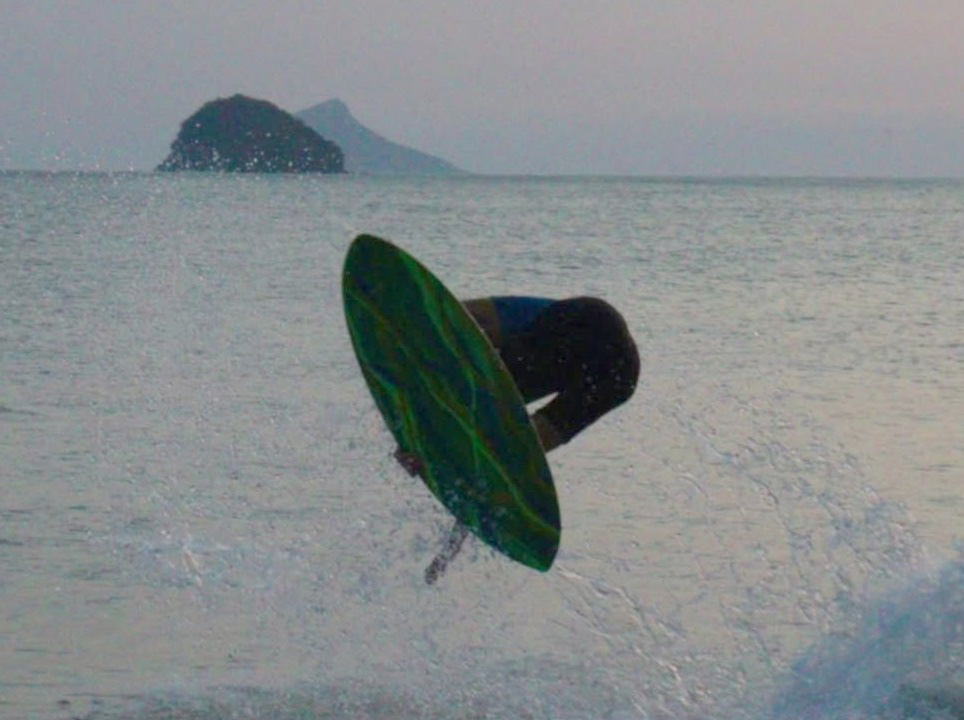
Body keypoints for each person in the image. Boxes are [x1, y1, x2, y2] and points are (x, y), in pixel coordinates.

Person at [395, 295, 640, 582]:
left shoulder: (530, 326)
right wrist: (445, 554)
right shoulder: (519, 327)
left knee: (494, 429)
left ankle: (428, 446)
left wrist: (446, 553)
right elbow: (493, 468)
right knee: (507, 447)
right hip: (620, 374)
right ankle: (428, 446)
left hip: (590, 329)